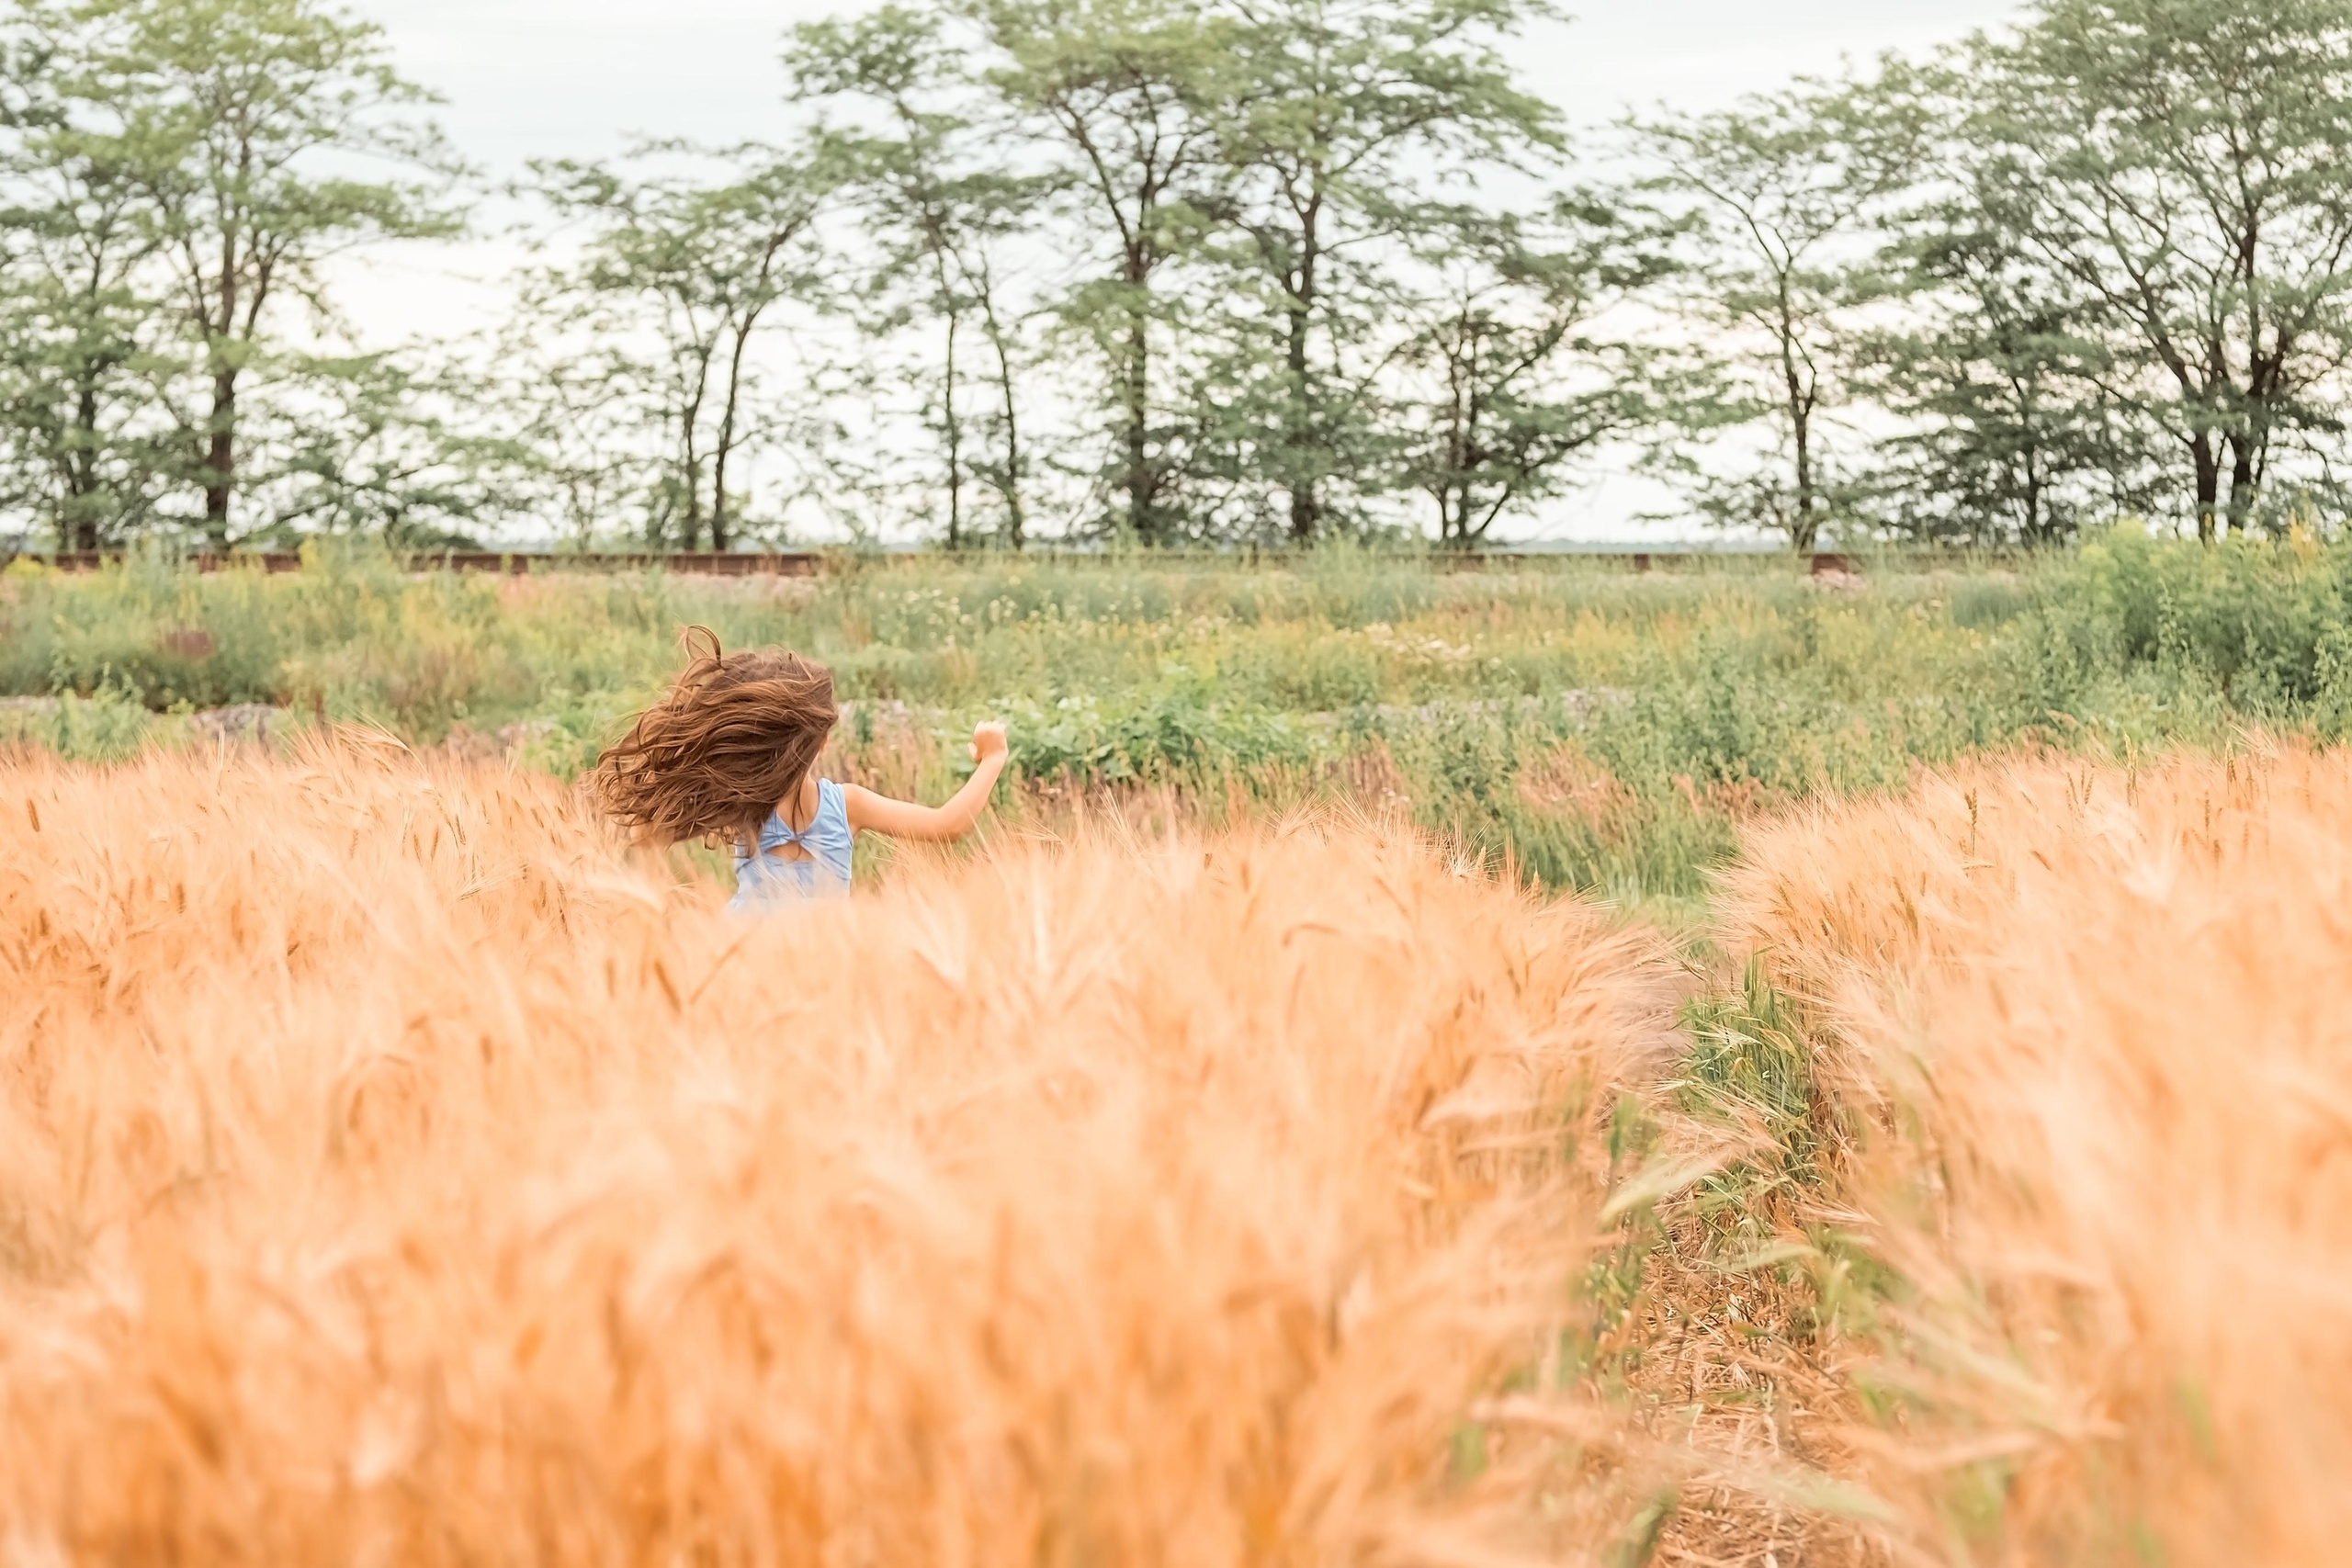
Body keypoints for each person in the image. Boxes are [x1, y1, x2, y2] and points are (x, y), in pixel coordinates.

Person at [591, 626, 1009, 911]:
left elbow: (642, 837)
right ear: (821, 741)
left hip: (739, 955)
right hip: (822, 968)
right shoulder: (848, 805)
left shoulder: (744, 802)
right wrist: (993, 759)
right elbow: (948, 825)